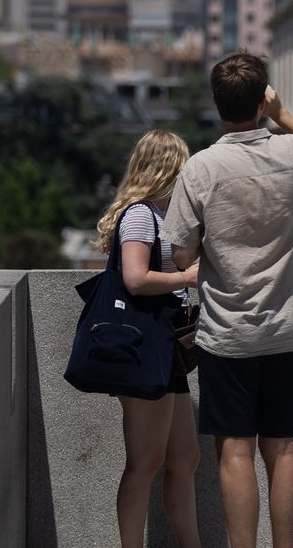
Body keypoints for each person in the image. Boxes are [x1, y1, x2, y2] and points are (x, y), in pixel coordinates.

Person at [162, 52, 293, 548]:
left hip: (228, 330)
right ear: (262, 99)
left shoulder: (201, 170)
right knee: (282, 445)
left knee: (234, 449)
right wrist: (284, 117)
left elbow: (181, 254)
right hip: (288, 324)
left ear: (217, 104)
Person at [93, 129, 202, 548]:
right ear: (168, 168)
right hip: (144, 348)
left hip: (164, 349)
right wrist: (186, 277)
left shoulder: (159, 214)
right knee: (145, 461)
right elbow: (135, 279)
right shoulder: (140, 215)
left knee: (184, 456)